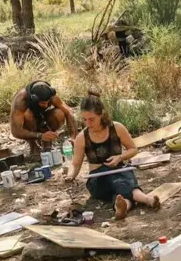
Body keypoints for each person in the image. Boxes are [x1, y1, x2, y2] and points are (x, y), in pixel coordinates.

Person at [65, 92, 160, 220]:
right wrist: (70, 175)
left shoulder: (117, 128)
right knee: (119, 181)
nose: (88, 123)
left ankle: (122, 207)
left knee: (120, 187)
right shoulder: (82, 137)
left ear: (101, 114)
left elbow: (133, 149)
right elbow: (75, 164)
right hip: (98, 178)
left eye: (91, 119)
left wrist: (120, 157)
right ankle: (146, 199)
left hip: (120, 169)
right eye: (84, 119)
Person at [10, 80, 76, 155]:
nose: (46, 105)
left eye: (48, 102)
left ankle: (47, 143)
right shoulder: (21, 101)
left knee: (59, 114)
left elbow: (69, 113)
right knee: (28, 114)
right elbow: (15, 131)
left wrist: (73, 137)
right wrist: (40, 135)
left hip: (43, 119)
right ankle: (33, 145)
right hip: (30, 124)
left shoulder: (52, 96)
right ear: (34, 99)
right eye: (43, 103)